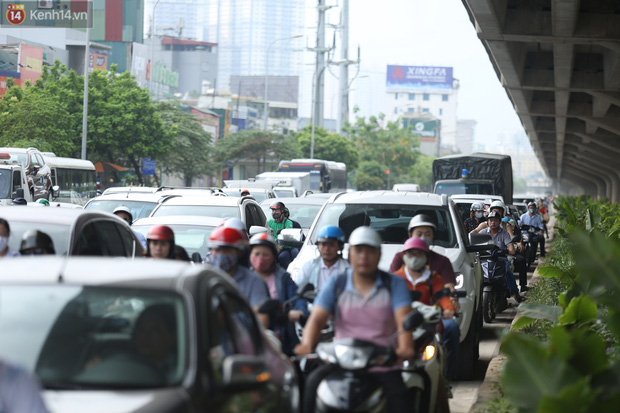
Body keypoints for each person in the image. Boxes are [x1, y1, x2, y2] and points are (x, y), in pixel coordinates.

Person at [296, 226, 414, 412]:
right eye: (358, 250)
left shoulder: (394, 284)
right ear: (350, 253)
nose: (364, 257)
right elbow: (317, 318)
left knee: (402, 402)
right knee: (310, 385)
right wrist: (307, 345)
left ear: (379, 253)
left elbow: (404, 319)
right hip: (341, 363)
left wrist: (406, 347)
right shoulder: (337, 283)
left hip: (382, 364)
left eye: (370, 251)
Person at [393, 237, 460, 385]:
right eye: (410, 254)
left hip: (428, 323)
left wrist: (449, 308)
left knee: (440, 348)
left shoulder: (433, 278)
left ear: (426, 257)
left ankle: (444, 379)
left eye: (419, 254)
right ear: (404, 256)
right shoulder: (396, 278)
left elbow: (442, 297)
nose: (414, 258)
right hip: (401, 324)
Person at [249, 232, 307, 355]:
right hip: (248, 337)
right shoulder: (244, 278)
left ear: (274, 257)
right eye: (257, 254)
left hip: (280, 339)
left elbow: (297, 298)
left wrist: (299, 311)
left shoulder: (283, 278)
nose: (260, 259)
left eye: (265, 255)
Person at [207, 226, 270, 327]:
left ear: (239, 252)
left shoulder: (254, 281)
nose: (220, 255)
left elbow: (262, 321)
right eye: (216, 250)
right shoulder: (204, 278)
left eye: (226, 250)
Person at [390, 215, 457, 296]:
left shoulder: (442, 261)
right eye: (419, 234)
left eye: (427, 234)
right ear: (410, 236)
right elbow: (390, 282)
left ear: (433, 236)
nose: (423, 238)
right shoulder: (400, 257)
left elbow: (449, 286)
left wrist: (452, 298)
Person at [481, 212, 522, 302]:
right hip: (485, 260)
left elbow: (511, 249)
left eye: (495, 220)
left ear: (499, 222)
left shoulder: (504, 233)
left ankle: (515, 293)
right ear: (488, 222)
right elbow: (475, 244)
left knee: (507, 272)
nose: (493, 222)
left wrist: (507, 251)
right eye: (491, 220)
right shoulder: (482, 233)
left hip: (500, 260)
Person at [293, 225, 350, 290]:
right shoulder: (309, 266)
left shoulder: (348, 270)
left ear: (339, 247)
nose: (327, 249)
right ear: (318, 246)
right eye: (323, 244)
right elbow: (295, 290)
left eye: (331, 245)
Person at [268, 201, 297, 268]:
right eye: (273, 210)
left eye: (276, 210)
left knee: (282, 257)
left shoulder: (288, 223)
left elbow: (287, 235)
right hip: (273, 247)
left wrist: (280, 235)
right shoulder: (269, 222)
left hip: (285, 248)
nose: (274, 212)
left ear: (282, 211)